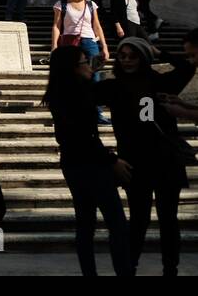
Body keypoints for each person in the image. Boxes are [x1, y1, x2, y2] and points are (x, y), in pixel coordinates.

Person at [94, 36, 194, 277]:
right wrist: (93, 69)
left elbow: (188, 67)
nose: (127, 61)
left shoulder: (161, 81)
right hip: (134, 162)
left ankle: (170, 269)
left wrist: (159, 52)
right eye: (123, 56)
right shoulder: (113, 86)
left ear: (143, 58)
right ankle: (130, 268)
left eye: (133, 56)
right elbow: (82, 93)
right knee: (139, 219)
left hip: (165, 159)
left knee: (168, 219)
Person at [43, 45, 134, 276]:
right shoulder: (76, 95)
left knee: (85, 224)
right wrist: (112, 160)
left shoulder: (62, 92)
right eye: (85, 62)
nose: (88, 66)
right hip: (91, 164)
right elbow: (85, 137)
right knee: (117, 224)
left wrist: (92, 71)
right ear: (73, 68)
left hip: (72, 164)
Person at [52, 0, 110, 121]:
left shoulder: (90, 4)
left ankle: (96, 113)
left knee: (94, 76)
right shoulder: (61, 4)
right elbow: (56, 26)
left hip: (90, 42)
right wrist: (54, 46)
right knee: (69, 77)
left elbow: (97, 26)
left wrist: (104, 46)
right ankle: (70, 110)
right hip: (69, 42)